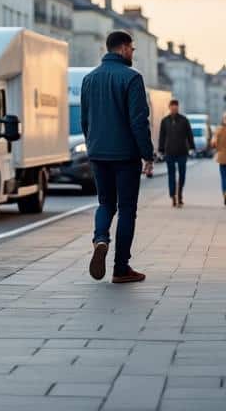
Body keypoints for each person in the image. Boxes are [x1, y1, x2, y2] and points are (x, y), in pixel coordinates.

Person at [80, 30, 154, 284]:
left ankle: (101, 238)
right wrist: (148, 154)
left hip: (98, 153)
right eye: (132, 48)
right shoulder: (132, 78)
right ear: (123, 48)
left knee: (105, 203)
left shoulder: (89, 79)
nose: (133, 52)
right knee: (127, 209)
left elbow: (85, 120)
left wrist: (92, 145)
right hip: (125, 155)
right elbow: (138, 122)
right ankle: (121, 268)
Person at [157, 99, 195, 207]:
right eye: (172, 106)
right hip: (169, 152)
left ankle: (180, 194)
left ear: (178, 107)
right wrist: (160, 150)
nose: (174, 108)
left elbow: (189, 134)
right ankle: (173, 195)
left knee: (182, 175)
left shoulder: (184, 120)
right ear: (169, 107)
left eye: (176, 106)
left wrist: (192, 147)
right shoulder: (165, 121)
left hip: (182, 151)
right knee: (171, 175)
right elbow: (162, 136)